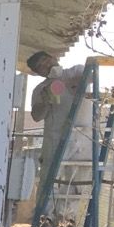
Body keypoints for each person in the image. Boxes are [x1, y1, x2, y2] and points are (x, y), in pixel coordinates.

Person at [27, 50, 90, 186]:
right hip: (56, 139)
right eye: (41, 67)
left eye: (47, 61)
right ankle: (46, 208)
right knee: (50, 183)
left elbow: (91, 78)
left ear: (54, 57)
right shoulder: (41, 89)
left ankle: (69, 208)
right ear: (38, 73)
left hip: (83, 138)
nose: (47, 66)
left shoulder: (77, 70)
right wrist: (45, 101)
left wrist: (63, 82)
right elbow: (36, 116)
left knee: (78, 186)